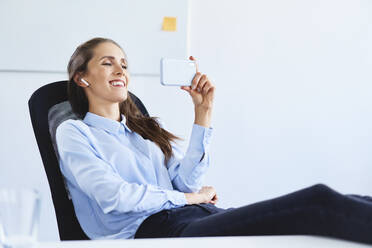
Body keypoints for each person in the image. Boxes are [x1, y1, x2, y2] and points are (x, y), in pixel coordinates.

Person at [56, 37, 372, 244]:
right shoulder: (75, 133)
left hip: (193, 217)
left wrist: (203, 113)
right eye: (108, 62)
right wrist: (189, 200)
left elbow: (189, 184)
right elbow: (116, 197)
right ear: (82, 77)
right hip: (155, 233)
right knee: (318, 202)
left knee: (353, 201)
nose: (121, 69)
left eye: (124, 63)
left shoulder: (140, 130)